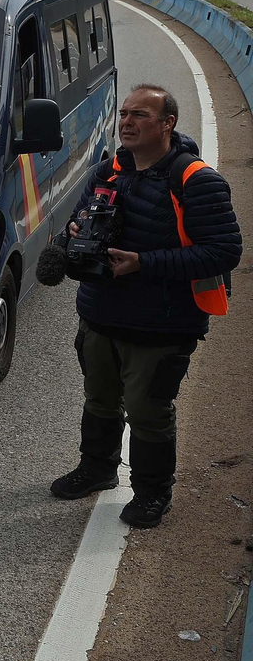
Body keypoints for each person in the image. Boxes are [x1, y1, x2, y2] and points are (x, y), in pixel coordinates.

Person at [50, 85, 242, 529]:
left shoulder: (198, 180)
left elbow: (224, 251)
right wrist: (69, 243)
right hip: (99, 314)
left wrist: (143, 264)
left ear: (167, 124)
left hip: (161, 324)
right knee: (100, 399)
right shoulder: (108, 171)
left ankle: (153, 494)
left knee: (148, 412)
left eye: (140, 114)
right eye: (124, 113)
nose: (127, 122)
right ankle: (97, 469)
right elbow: (76, 223)